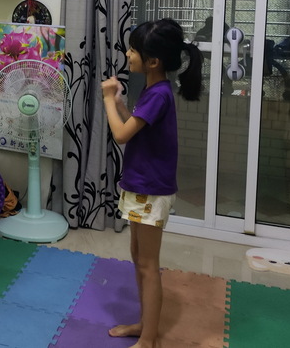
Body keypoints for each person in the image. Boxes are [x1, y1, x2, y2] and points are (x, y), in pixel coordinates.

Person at [101, 18, 203, 348]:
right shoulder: (153, 90)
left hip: (150, 189)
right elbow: (135, 127)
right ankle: (144, 325)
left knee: (147, 264)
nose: (128, 54)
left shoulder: (158, 94)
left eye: (134, 50)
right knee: (138, 256)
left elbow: (121, 135)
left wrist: (107, 100)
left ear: (153, 61)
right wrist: (120, 103)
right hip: (140, 184)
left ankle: (148, 340)